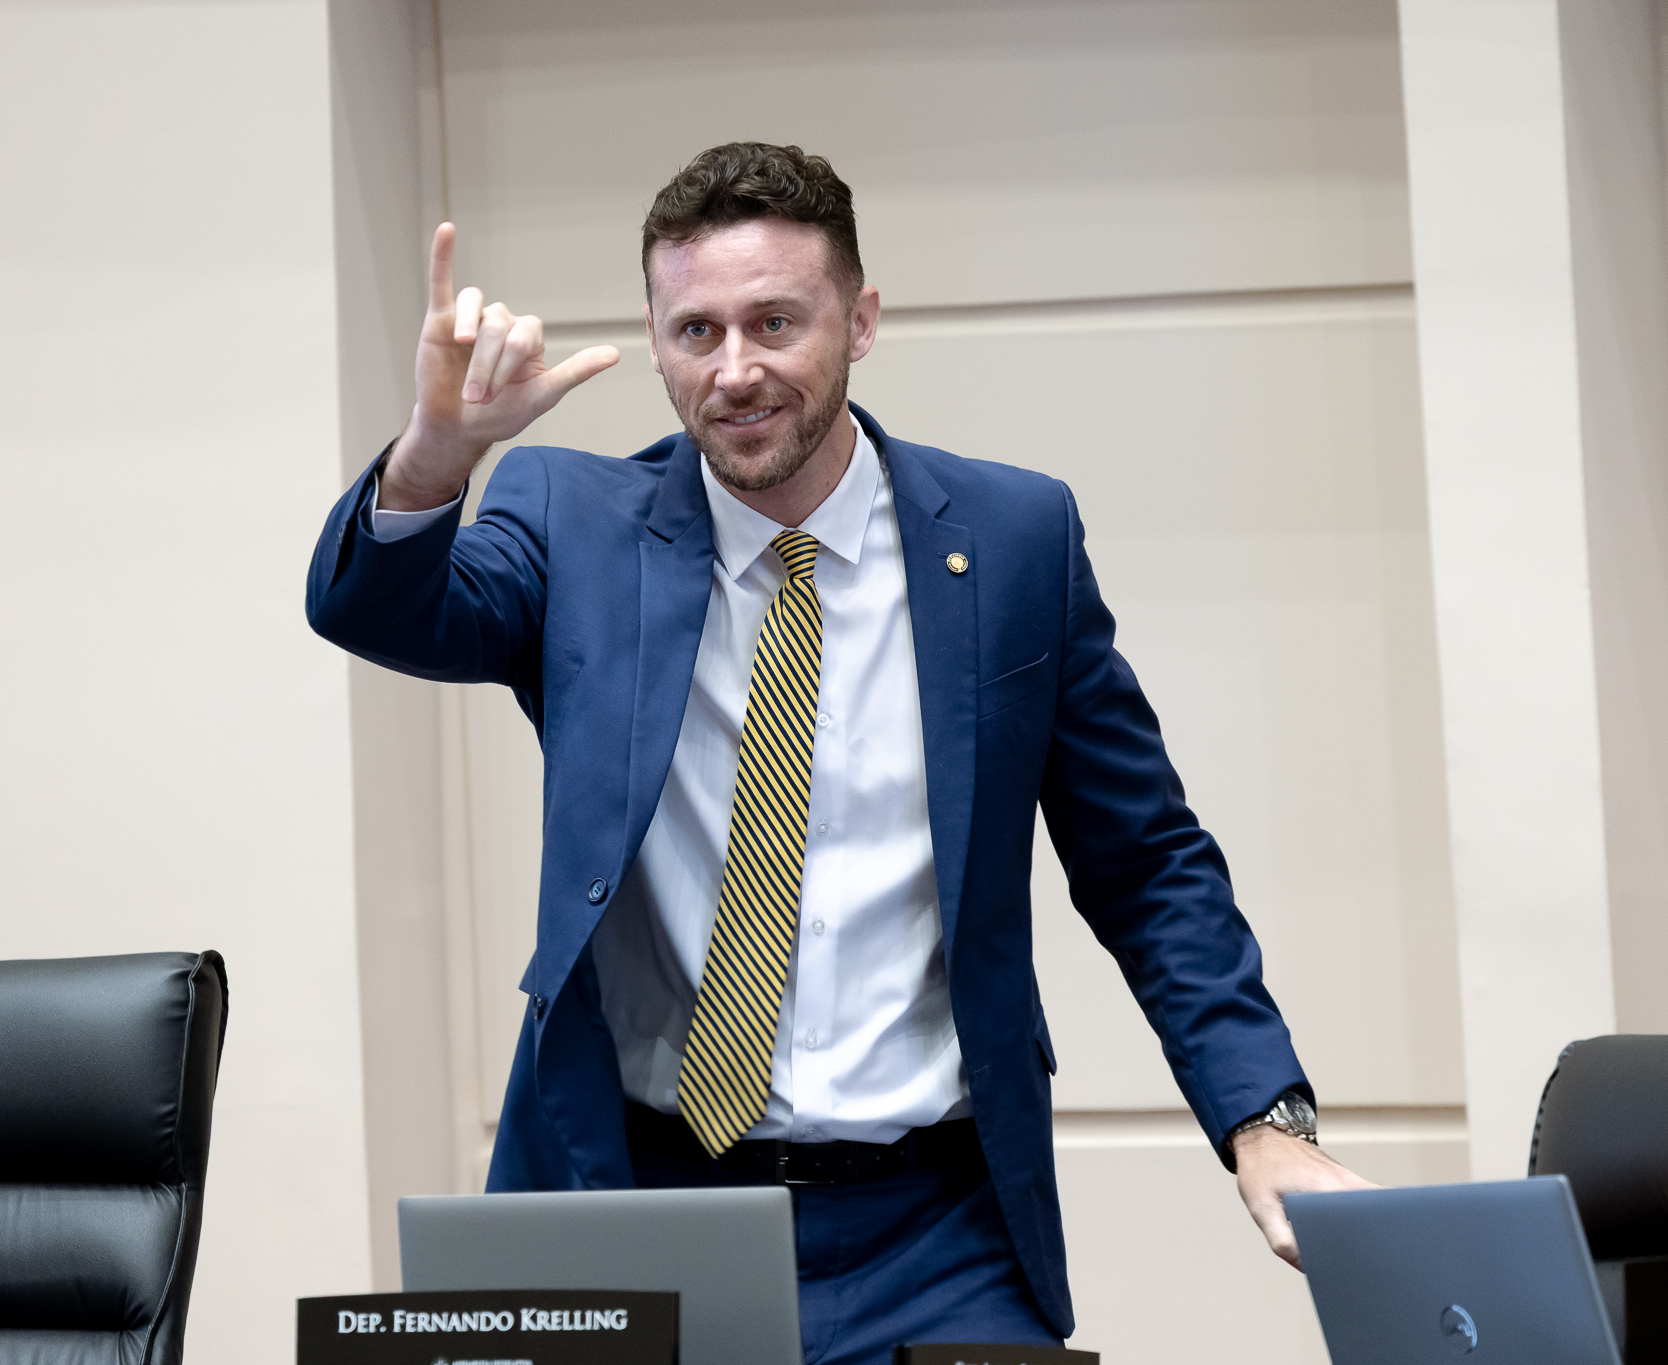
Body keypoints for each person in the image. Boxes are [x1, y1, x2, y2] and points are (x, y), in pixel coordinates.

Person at [307, 142, 1372, 1364]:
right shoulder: (572, 523)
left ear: (859, 320)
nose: (735, 371)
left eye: (774, 322)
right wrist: (435, 457)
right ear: (654, 342)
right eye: (695, 332)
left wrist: (1263, 1119)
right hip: (636, 1196)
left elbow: (1145, 862)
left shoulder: (1012, 541)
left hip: (936, 1228)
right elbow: (377, 611)